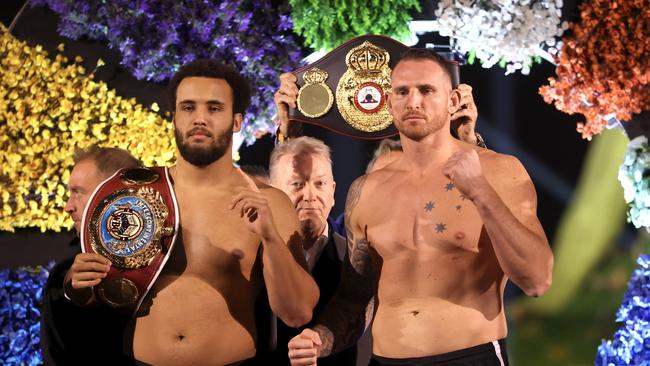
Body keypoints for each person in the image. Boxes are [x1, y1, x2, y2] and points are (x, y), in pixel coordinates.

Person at [287, 49, 554, 365]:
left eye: (426, 90)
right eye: (402, 91)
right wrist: (321, 338)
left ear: (453, 101)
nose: (413, 102)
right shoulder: (366, 189)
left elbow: (537, 281)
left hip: (469, 357)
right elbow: (355, 298)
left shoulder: (499, 172)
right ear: (389, 102)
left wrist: (480, 191)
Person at [64, 59, 319, 365]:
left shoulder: (268, 202)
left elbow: (298, 313)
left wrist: (270, 237)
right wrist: (76, 282)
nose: (199, 118)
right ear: (174, 118)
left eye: (213, 108)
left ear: (236, 121)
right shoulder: (134, 194)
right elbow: (96, 293)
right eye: (188, 108)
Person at [41, 145, 141, 365]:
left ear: (116, 194)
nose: (68, 207)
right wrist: (72, 296)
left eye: (78, 192)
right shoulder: (63, 279)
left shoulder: (172, 264)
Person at [262, 136, 353, 365]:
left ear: (333, 192)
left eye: (320, 184)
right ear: (273, 192)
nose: (310, 196)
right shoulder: (252, 256)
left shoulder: (354, 259)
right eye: (297, 184)